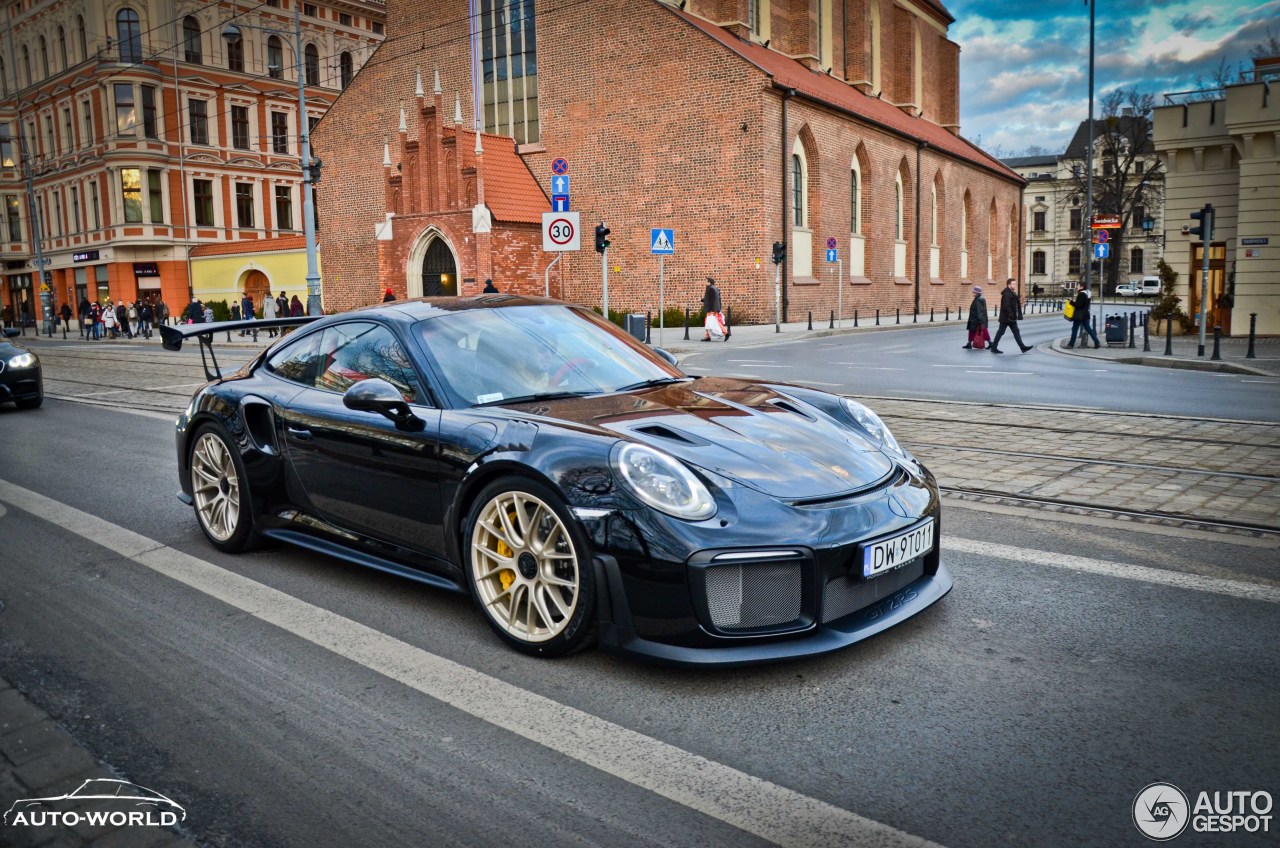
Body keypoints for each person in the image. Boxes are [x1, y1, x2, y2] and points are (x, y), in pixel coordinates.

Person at [990, 278, 1033, 354]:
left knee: (1016, 332)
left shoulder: (1011, 292)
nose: (1015, 285)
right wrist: (1011, 315)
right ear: (1009, 285)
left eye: (1015, 284)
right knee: (1000, 332)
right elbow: (1006, 306)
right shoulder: (1006, 294)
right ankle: (994, 347)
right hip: (1006, 318)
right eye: (1013, 284)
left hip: (1011, 318)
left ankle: (1022, 347)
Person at [1067, 281, 1101, 349]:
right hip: (1085, 314)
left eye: (1078, 285)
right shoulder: (1088, 293)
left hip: (1079, 315)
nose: (1077, 287)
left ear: (1082, 287)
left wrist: (1071, 302)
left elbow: (1078, 305)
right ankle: (1097, 342)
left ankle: (1071, 344)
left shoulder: (1081, 294)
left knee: (1074, 329)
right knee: (1088, 329)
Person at [701, 277, 727, 341]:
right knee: (710, 322)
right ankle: (708, 336)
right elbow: (713, 298)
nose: (704, 282)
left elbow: (711, 300)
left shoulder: (711, 289)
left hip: (712, 309)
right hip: (714, 308)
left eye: (706, 281)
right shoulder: (714, 288)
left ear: (709, 282)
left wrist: (711, 310)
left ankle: (725, 333)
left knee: (711, 322)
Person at [963, 285, 988, 349]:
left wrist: (980, 320)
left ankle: (990, 343)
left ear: (977, 293)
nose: (972, 293)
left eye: (973, 292)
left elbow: (979, 310)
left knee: (982, 331)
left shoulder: (978, 300)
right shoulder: (979, 298)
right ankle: (969, 343)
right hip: (975, 319)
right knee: (973, 331)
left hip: (976, 319)